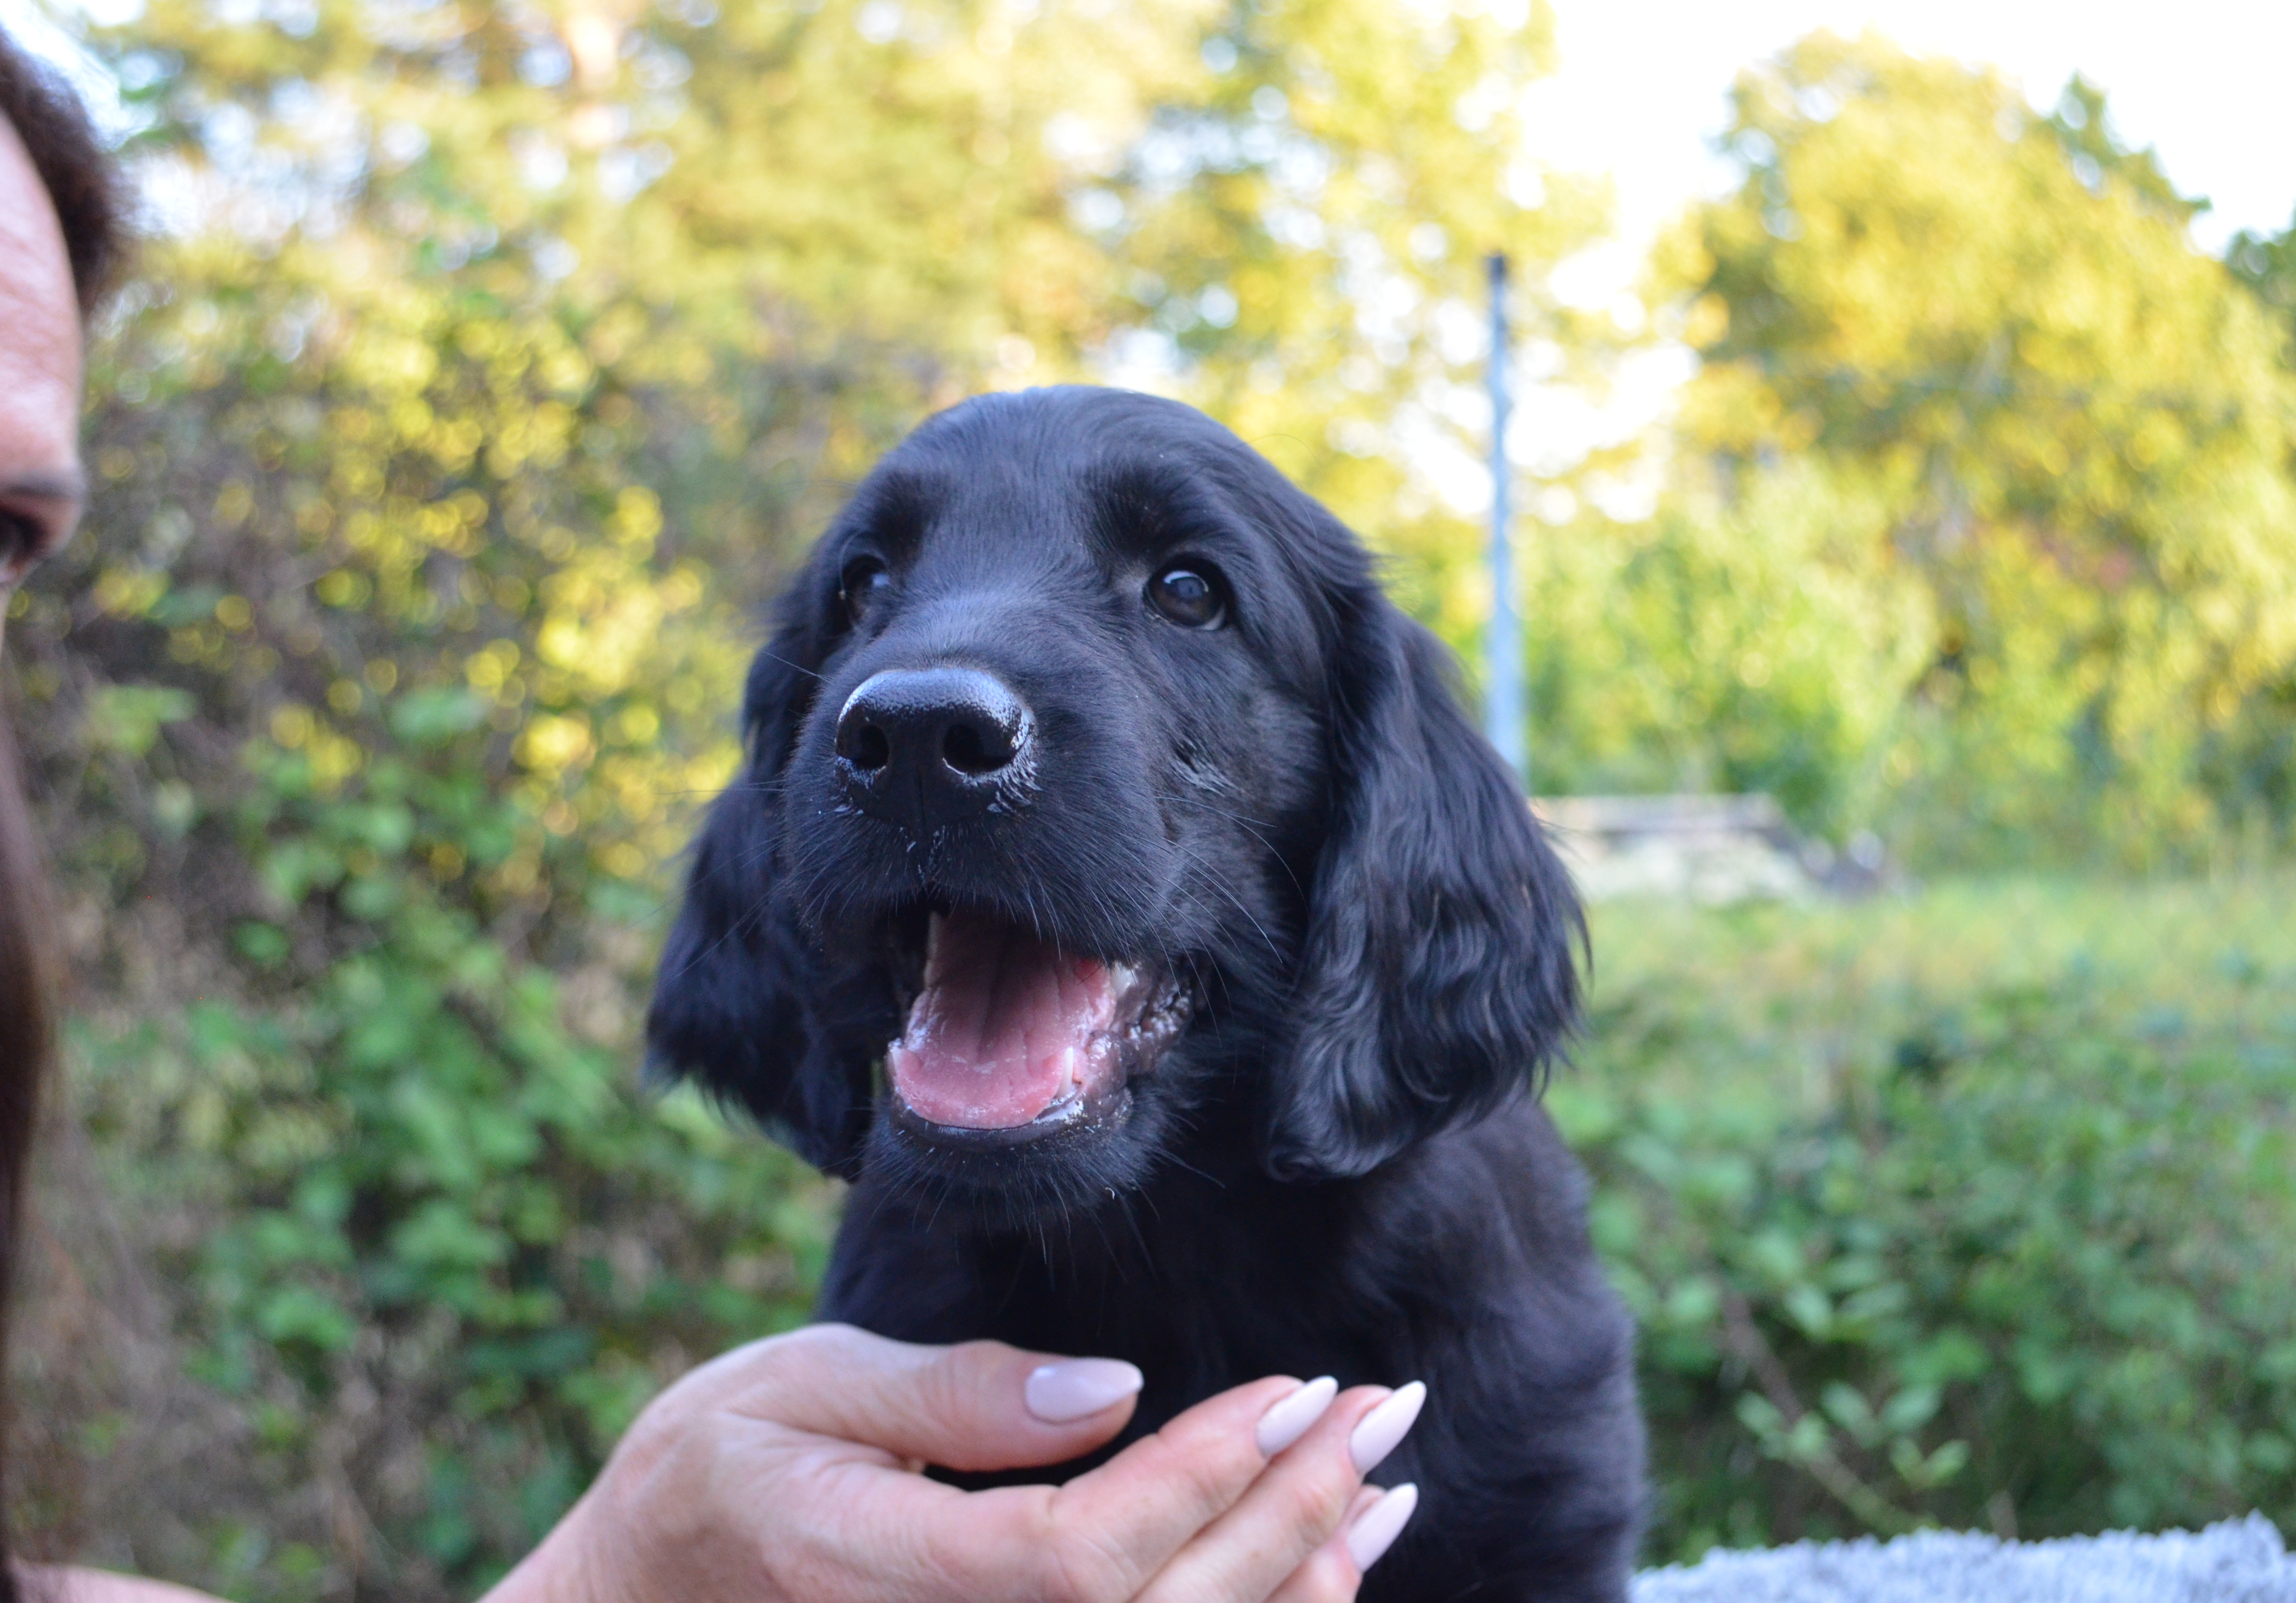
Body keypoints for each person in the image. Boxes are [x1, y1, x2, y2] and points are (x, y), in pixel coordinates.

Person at [0, 30, 1421, 1602]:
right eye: (869, 599)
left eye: (1188, 593)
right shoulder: (902, 1333)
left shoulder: (1499, 1391)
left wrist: (623, 1567)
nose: (919, 687)